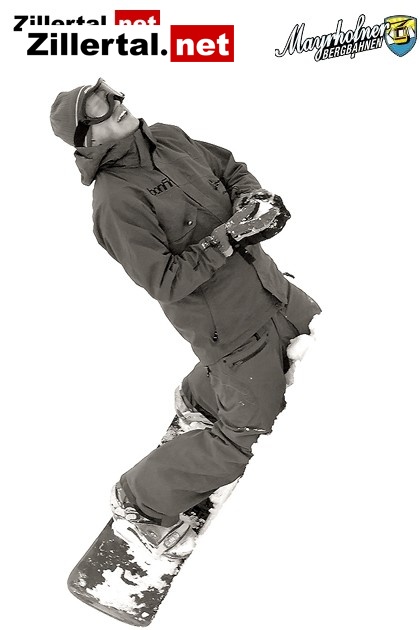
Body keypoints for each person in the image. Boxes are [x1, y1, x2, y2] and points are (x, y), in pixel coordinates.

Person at [50, 78, 321, 559]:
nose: (117, 102)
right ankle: (141, 501)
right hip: (232, 333)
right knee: (249, 438)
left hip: (275, 290)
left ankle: (201, 398)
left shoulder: (169, 138)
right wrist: (228, 237)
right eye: (100, 106)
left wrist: (252, 201)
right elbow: (165, 280)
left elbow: (230, 168)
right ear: (86, 136)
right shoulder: (115, 202)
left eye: (111, 92)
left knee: (324, 342)